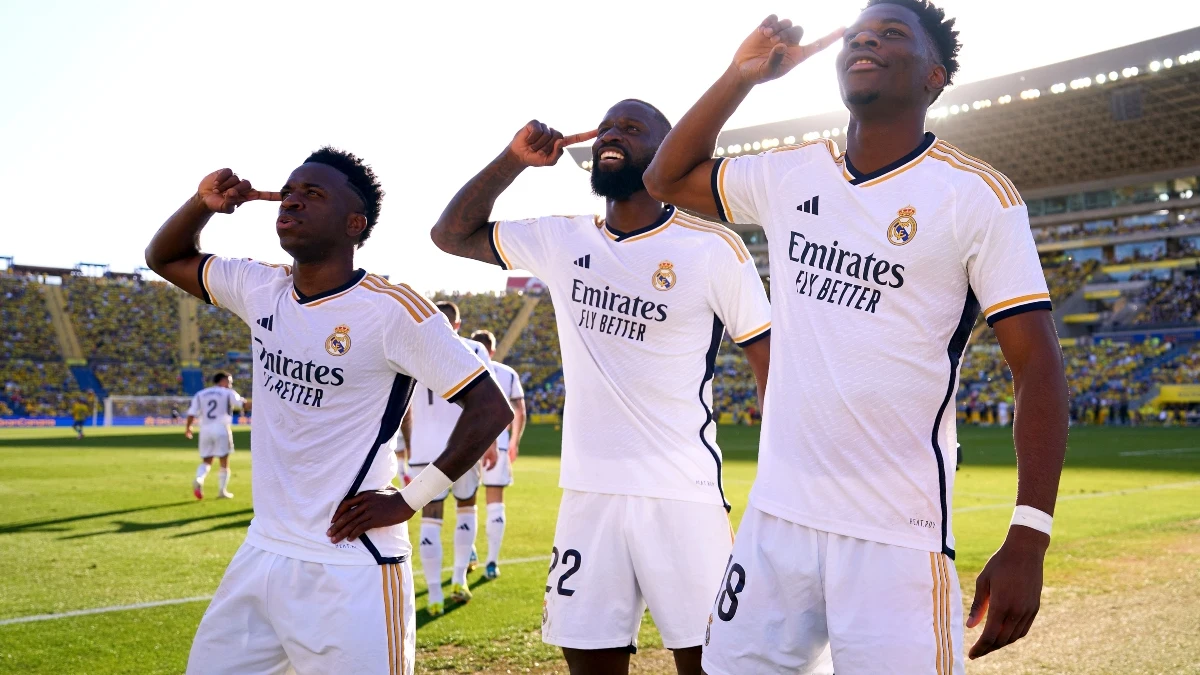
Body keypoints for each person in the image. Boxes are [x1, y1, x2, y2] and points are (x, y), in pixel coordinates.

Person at [644, 2, 1069, 672]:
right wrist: (740, 76)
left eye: (892, 33)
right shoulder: (791, 174)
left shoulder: (977, 196)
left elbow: (1038, 367)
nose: (867, 38)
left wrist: (1030, 533)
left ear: (935, 76)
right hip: (774, 527)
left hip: (895, 539)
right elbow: (663, 178)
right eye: (860, 33)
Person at [431, 99, 772, 675]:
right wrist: (512, 161)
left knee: (714, 663)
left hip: (680, 492)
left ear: (668, 150)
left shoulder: (713, 247)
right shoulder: (562, 239)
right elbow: (451, 234)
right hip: (587, 493)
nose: (613, 134)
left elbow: (770, 367)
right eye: (608, 126)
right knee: (588, 661)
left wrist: (779, 484)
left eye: (633, 128)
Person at [145, 148, 512, 675]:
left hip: (351, 565)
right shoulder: (259, 286)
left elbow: (489, 408)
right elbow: (165, 257)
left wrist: (410, 498)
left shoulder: (392, 310)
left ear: (353, 223)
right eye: (290, 189)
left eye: (313, 193)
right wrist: (203, 204)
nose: (292, 199)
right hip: (262, 550)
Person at [399, 300, 498, 614]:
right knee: (466, 506)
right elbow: (488, 402)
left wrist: (411, 445)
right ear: (456, 324)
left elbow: (404, 410)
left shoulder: (411, 350)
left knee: (431, 516)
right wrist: (490, 442)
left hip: (426, 448)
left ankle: (435, 597)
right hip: (463, 444)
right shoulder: (475, 349)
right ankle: (459, 579)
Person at [468, 329, 528, 580]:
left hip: (465, 444)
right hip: (499, 444)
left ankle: (468, 552)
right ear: (492, 350)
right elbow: (520, 412)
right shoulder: (507, 373)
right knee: (495, 501)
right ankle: (491, 563)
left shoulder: (460, 367)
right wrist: (513, 442)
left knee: (465, 503)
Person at [184, 371, 244, 499]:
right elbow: (242, 404)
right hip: (221, 428)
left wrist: (188, 428)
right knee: (224, 460)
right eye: (229, 381)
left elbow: (192, 413)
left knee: (207, 460)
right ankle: (222, 491)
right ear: (222, 381)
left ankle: (199, 479)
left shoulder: (201, 394)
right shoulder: (228, 393)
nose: (230, 384)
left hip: (205, 429)